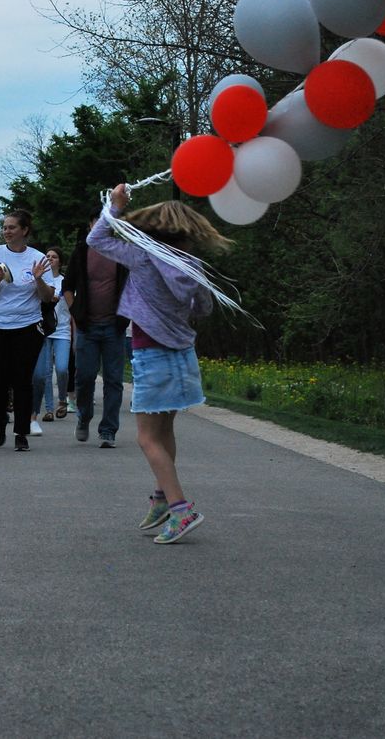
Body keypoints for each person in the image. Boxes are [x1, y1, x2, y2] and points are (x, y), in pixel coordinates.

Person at [89, 184, 232, 544]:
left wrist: (115, 206)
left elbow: (97, 238)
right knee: (165, 432)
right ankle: (162, 497)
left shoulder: (143, 256)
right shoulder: (193, 264)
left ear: (153, 231)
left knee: (146, 437)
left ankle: (182, 509)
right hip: (183, 354)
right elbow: (204, 308)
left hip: (151, 352)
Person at [0, 210, 54, 451]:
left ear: (24, 230)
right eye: (4, 227)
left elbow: (48, 296)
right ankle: (0, 421)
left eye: (11, 227)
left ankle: (21, 431)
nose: (6, 231)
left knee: (23, 380)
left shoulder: (38, 258)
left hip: (27, 327)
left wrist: (39, 279)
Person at [62, 213, 129, 448]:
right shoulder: (81, 252)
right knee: (85, 377)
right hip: (87, 326)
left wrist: (127, 314)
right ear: (91, 225)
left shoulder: (121, 251)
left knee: (113, 380)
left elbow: (133, 284)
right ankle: (84, 416)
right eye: (98, 222)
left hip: (114, 326)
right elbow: (67, 286)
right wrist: (76, 313)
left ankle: (108, 430)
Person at [31, 247, 71, 430]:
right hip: (44, 329)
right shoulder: (39, 279)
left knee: (62, 368)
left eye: (54, 257)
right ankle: (48, 409)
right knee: (45, 371)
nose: (50, 259)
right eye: (47, 256)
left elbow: (72, 308)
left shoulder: (65, 282)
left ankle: (62, 399)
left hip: (62, 329)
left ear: (60, 262)